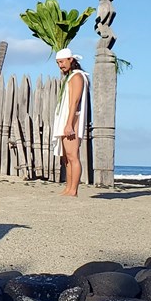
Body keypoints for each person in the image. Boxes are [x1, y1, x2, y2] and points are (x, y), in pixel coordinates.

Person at [51, 48, 91, 196]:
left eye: (62, 62)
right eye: (58, 63)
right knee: (66, 157)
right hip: (66, 119)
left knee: (73, 155)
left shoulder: (77, 77)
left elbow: (74, 102)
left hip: (72, 120)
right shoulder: (70, 77)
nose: (60, 65)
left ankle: (73, 189)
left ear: (71, 60)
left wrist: (69, 124)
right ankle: (68, 188)